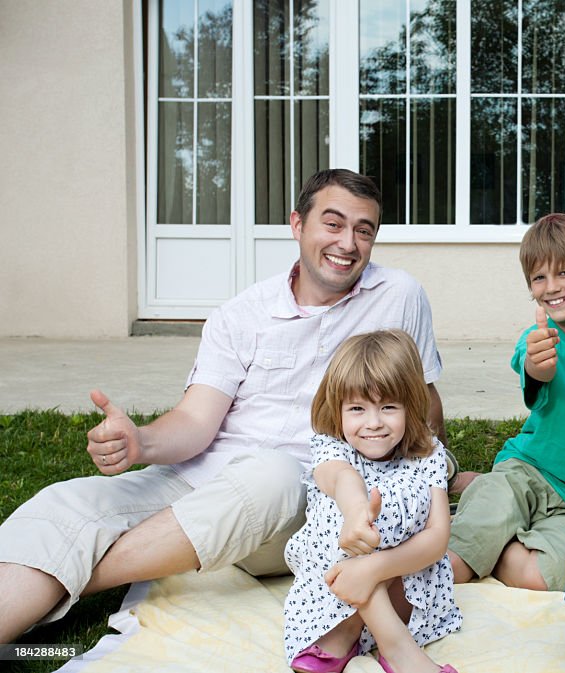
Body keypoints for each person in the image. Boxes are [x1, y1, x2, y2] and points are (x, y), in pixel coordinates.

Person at [0, 169, 449, 645]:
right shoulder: (242, 313)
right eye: (333, 224)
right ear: (297, 225)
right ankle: (40, 583)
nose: (349, 243)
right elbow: (196, 421)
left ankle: (68, 578)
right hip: (206, 477)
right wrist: (141, 442)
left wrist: (431, 475)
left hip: (306, 495)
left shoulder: (398, 295)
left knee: (270, 475)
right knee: (65, 504)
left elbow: (423, 403)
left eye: (365, 230)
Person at [447, 214, 565, 591]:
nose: (551, 287)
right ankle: (461, 550)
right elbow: (532, 363)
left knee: (539, 574)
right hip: (528, 470)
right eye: (539, 278)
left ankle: (496, 542)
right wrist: (537, 363)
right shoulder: (539, 339)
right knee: (471, 538)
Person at [284, 329, 461, 673]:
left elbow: (437, 538)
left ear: (411, 405)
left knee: (401, 498)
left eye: (389, 407)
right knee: (339, 513)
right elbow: (340, 478)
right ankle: (382, 643)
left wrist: (372, 568)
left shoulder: (428, 454)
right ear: (337, 409)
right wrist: (354, 514)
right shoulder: (331, 445)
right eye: (357, 408)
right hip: (330, 596)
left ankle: (369, 642)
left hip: (407, 594)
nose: (373, 423)